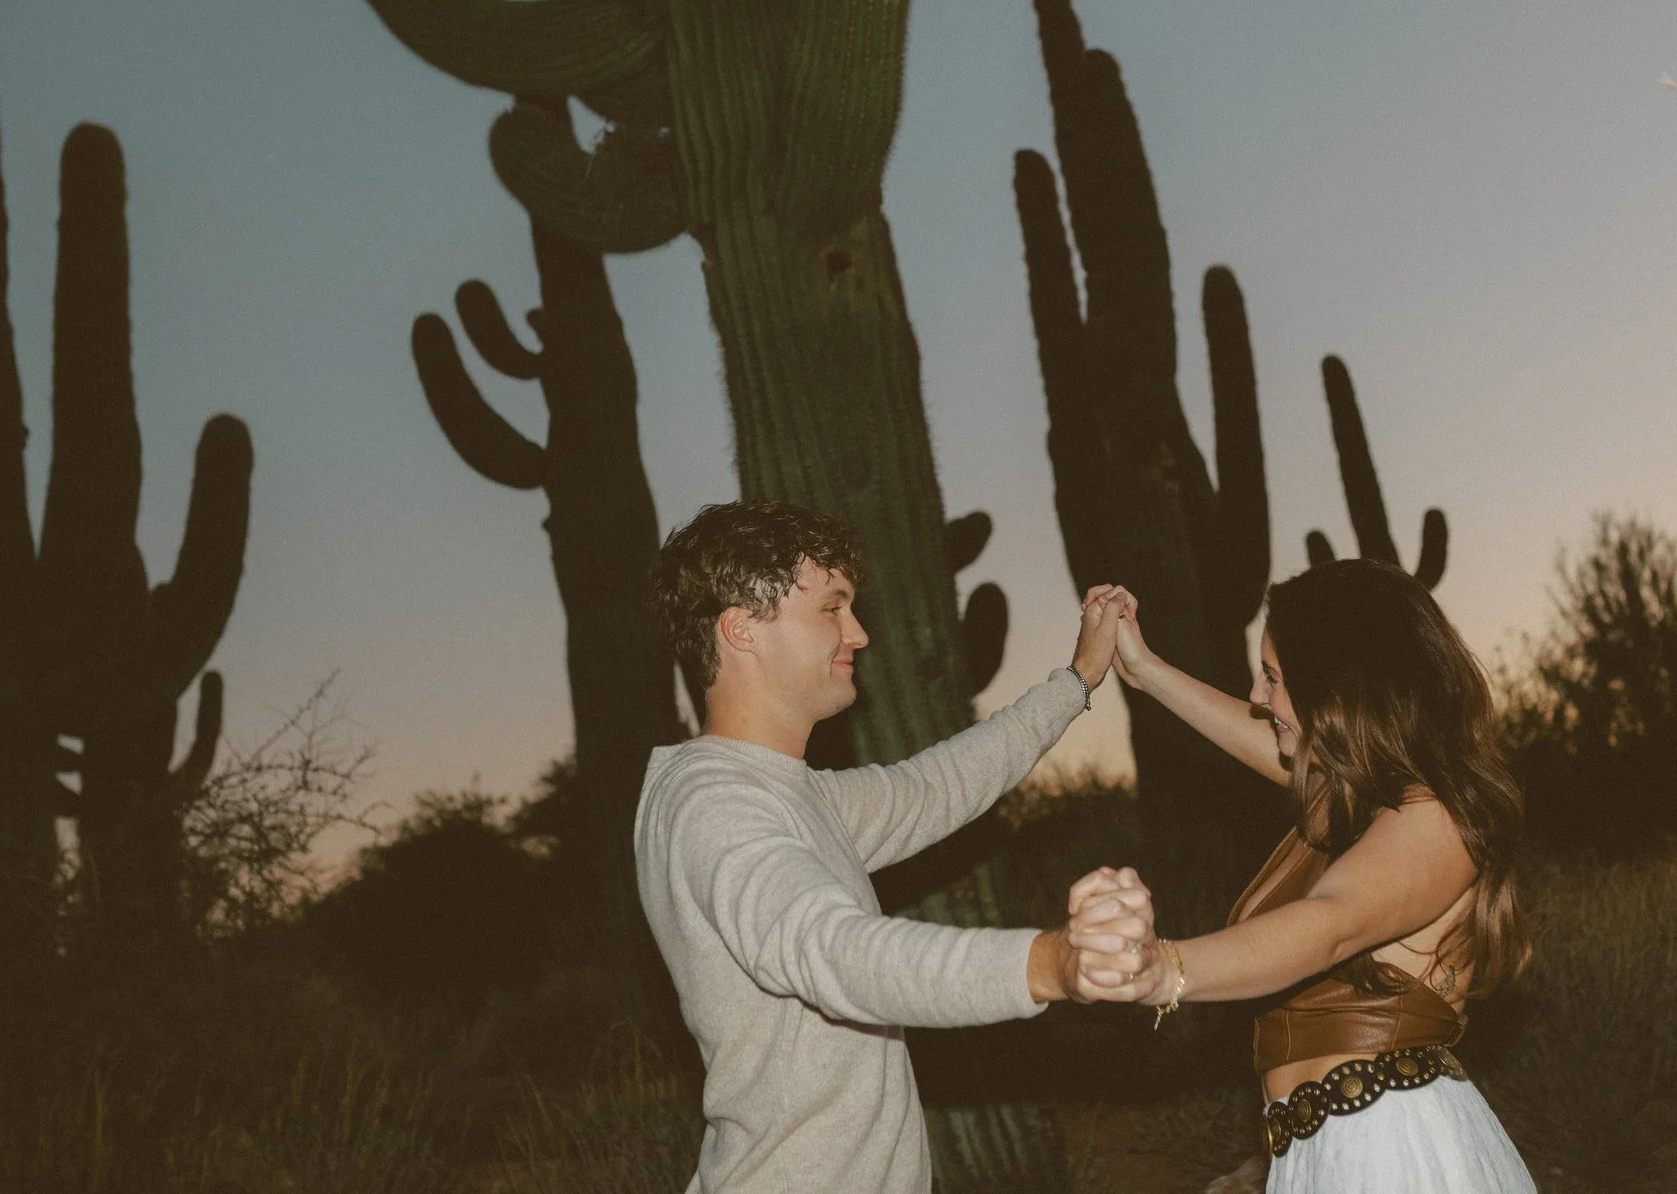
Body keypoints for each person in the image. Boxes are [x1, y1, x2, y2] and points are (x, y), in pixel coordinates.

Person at [636, 499, 1156, 1194]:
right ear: (742, 628)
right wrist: (1049, 963)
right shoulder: (713, 804)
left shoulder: (791, 794)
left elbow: (938, 784)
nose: (858, 632)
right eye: (832, 606)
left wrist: (1077, 678)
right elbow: (832, 949)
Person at [1067, 558, 1537, 1192]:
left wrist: (1165, 969)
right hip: (1326, 1149)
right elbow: (1269, 744)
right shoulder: (1354, 801)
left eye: (1274, 677)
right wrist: (1147, 671)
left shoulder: (1439, 818)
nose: (1260, 698)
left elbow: (1328, 927)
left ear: (1337, 691)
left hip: (1391, 1150)